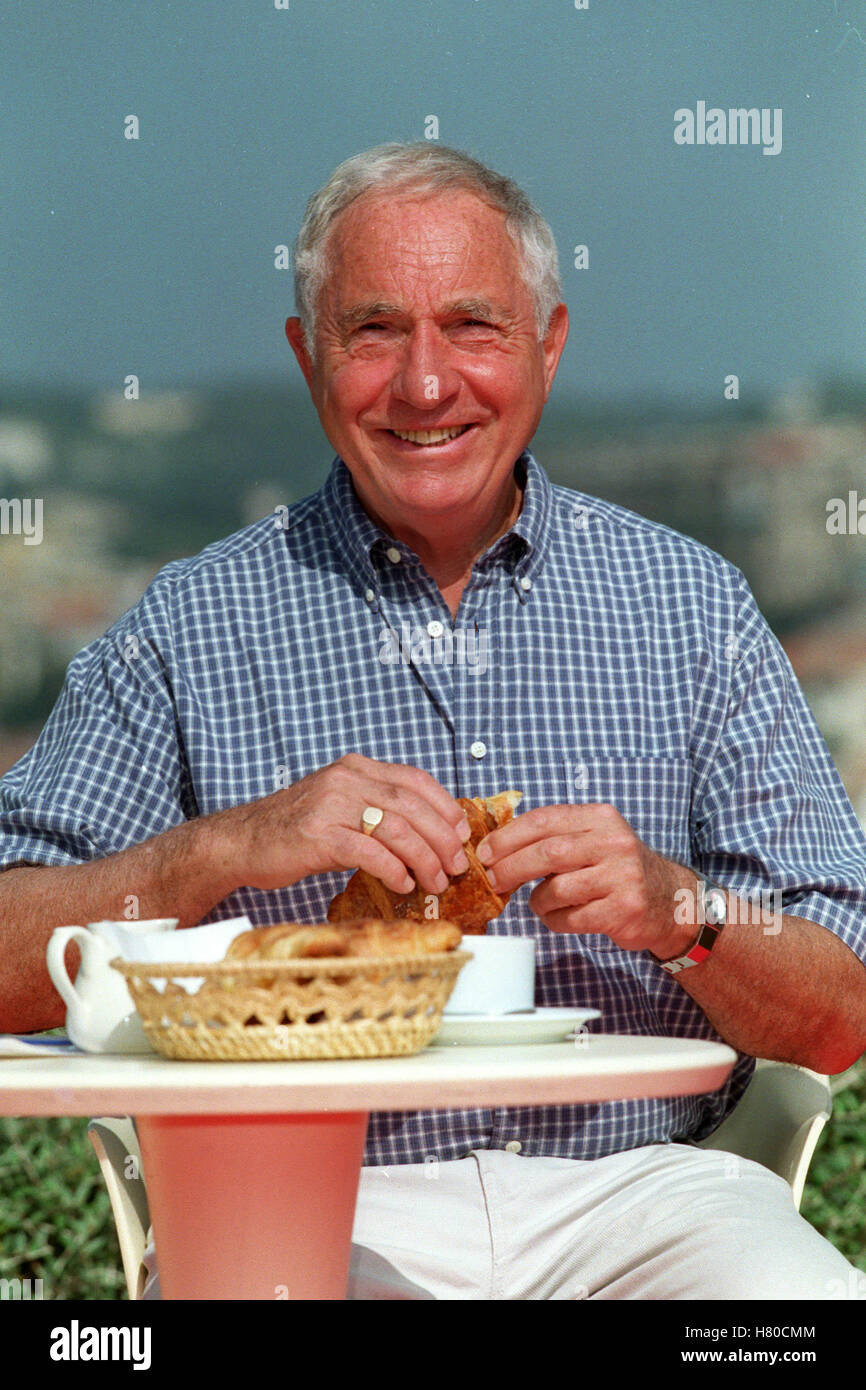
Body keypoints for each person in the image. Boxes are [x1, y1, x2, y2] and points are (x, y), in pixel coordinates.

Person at [1, 143, 865, 1301]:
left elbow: (840, 1009)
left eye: (471, 326)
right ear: (307, 355)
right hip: (302, 1183)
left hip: (648, 1194)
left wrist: (681, 914)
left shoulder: (688, 605)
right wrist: (219, 850)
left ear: (546, 346)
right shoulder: (187, 625)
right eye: (372, 332)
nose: (422, 384)